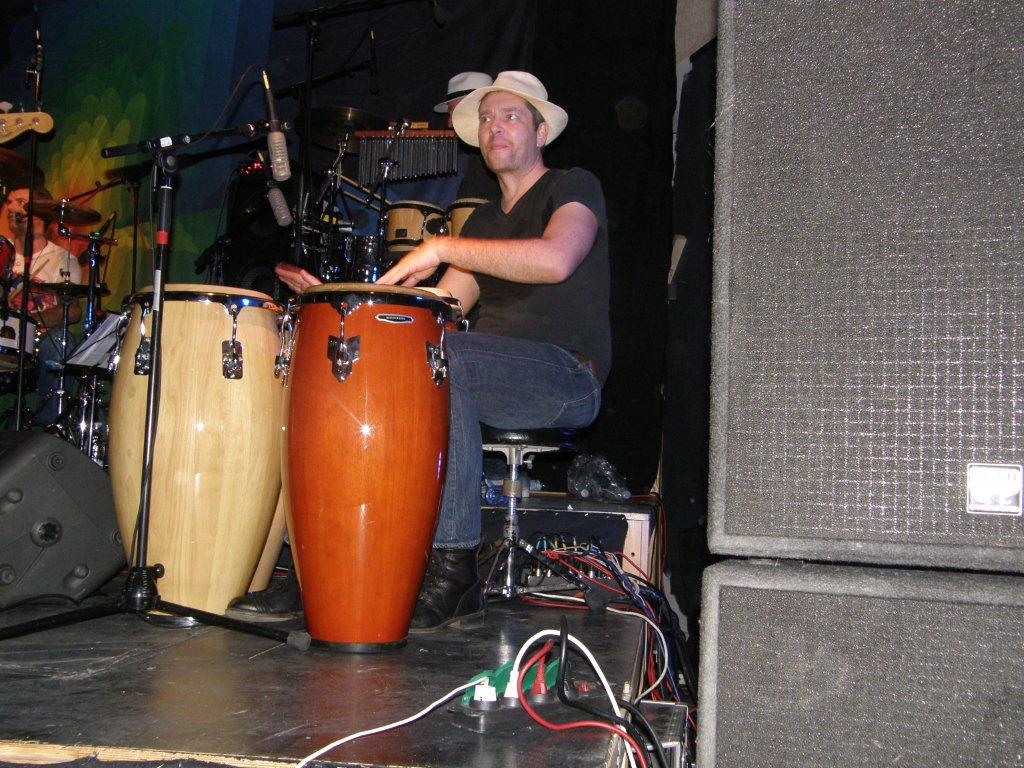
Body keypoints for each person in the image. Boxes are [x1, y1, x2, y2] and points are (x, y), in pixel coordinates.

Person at [241, 71, 610, 633]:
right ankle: (328, 562)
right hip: (481, 371)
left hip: (566, 378)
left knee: (443, 359)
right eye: (486, 119)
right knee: (385, 360)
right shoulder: (484, 221)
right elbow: (442, 309)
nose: (494, 127)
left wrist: (439, 248)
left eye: (511, 116)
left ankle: (454, 568)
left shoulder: (573, 185)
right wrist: (339, 300)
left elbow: (556, 259)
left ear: (541, 132)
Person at [2, 187, 82, 428]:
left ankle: (46, 431)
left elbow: (73, 311)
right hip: (3, 338)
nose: (11, 208)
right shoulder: (2, 253)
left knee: (60, 341)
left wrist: (27, 323)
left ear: (41, 212)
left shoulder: (62, 259)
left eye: (20, 202)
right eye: (8, 202)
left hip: (37, 344)